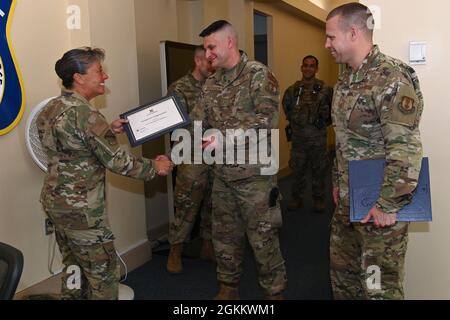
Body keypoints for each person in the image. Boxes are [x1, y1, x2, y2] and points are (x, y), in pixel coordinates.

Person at [37, 47, 173, 300]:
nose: (105, 77)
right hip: (83, 213)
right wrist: (156, 167)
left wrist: (108, 130)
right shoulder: (87, 115)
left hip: (56, 205)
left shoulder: (51, 108)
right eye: (99, 70)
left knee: (74, 267)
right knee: (104, 275)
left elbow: (71, 148)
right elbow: (118, 162)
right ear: (78, 77)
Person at [325, 3, 424, 299]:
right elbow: (344, 139)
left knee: (378, 288)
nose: (326, 44)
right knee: (344, 279)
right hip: (348, 202)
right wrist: (336, 181)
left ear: (353, 33)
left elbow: (405, 150)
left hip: (379, 211)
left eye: (330, 37)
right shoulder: (345, 78)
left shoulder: (391, 78)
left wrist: (387, 205)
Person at [198, 20, 287, 300]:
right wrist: (149, 126)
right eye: (205, 48)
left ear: (229, 43)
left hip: (255, 178)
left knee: (263, 239)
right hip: (223, 176)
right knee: (224, 237)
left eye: (211, 47)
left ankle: (274, 292)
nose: (207, 54)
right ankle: (228, 287)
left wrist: (225, 138)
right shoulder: (211, 82)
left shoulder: (258, 75)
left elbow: (266, 120)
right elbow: (196, 120)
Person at [166, 46, 216, 274]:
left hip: (217, 153)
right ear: (198, 60)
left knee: (213, 203)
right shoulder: (179, 88)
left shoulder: (218, 86)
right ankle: (176, 249)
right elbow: (174, 126)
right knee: (187, 204)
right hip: (191, 154)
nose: (213, 66)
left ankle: (207, 244)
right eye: (209, 62)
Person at [282, 55, 333, 212]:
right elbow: (287, 109)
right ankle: (296, 198)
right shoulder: (292, 91)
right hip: (298, 141)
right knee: (297, 171)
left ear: (316, 69)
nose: (308, 68)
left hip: (318, 140)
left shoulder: (326, 90)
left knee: (319, 171)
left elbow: (332, 113)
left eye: (312, 66)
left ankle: (319, 199)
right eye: (305, 65)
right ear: (301, 67)